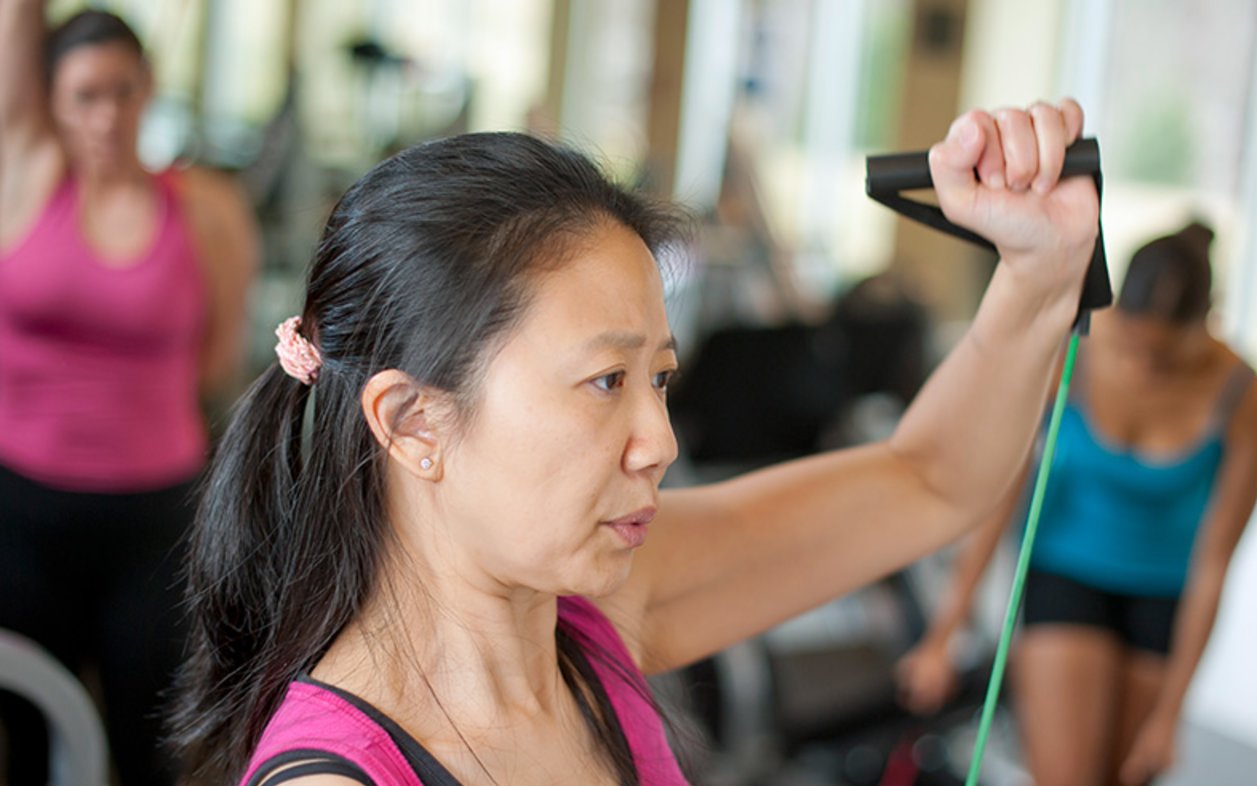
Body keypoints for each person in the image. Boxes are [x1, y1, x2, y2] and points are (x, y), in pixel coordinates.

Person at [172, 99, 1099, 786]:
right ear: (414, 420)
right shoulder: (347, 778)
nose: (656, 440)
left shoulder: (592, 619)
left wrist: (1040, 273)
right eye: (606, 382)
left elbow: (930, 481)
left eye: (657, 378)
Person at [895, 221, 1257, 786]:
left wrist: (1170, 717)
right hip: (1067, 575)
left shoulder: (1244, 395)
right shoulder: (1073, 353)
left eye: (1164, 356)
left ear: (1209, 320)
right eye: (1133, 344)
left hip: (1165, 594)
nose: (1143, 367)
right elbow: (1001, 499)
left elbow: (1216, 563)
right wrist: (944, 631)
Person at [0, 3, 259, 784]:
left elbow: (218, 363)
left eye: (123, 91)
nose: (107, 114)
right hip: (22, 509)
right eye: (85, 95)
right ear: (50, 102)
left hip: (152, 517)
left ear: (148, 92)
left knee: (146, 740)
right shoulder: (25, 178)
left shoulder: (206, 209)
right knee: (27, 725)